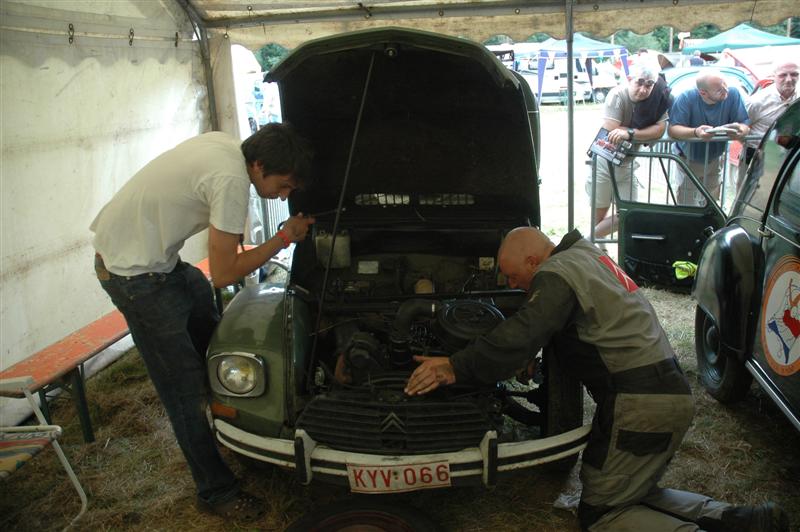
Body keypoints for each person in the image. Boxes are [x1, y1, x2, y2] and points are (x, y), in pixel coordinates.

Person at [405, 226, 790, 532]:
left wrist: (454, 366)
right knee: (633, 492)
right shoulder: (586, 256)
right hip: (667, 394)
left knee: (602, 514)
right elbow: (589, 325)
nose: (510, 284)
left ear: (533, 260)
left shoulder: (556, 273)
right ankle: (745, 520)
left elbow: (523, 332)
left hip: (640, 405)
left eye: (512, 275)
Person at [90, 123, 315, 521]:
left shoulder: (229, 146)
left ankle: (238, 423)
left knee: (217, 340)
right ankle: (215, 491)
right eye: (283, 186)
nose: (284, 196)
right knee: (185, 389)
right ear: (259, 165)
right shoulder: (232, 181)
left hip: (161, 263)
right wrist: (284, 238)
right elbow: (224, 274)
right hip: (134, 276)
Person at [586, 64, 669, 238]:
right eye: (640, 82)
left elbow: (659, 130)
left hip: (627, 164)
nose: (643, 89)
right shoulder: (617, 94)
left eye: (649, 85)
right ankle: (595, 246)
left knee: (629, 213)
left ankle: (585, 241)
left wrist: (629, 133)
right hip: (604, 161)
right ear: (630, 79)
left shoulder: (657, 99)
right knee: (598, 215)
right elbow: (611, 128)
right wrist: (644, 132)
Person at [668, 70, 750, 205]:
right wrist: (696, 132)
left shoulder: (733, 93)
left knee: (711, 201)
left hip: (715, 158)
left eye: (725, 84)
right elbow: (673, 130)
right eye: (719, 90)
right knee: (686, 201)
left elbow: (744, 123)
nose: (726, 90)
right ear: (703, 93)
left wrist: (741, 131)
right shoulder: (686, 97)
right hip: (688, 158)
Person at [741, 61, 800, 182]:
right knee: (751, 192)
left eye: (794, 74)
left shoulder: (798, 98)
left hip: (786, 157)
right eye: (783, 75)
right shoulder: (757, 101)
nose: (789, 79)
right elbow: (740, 128)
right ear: (774, 76)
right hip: (756, 157)